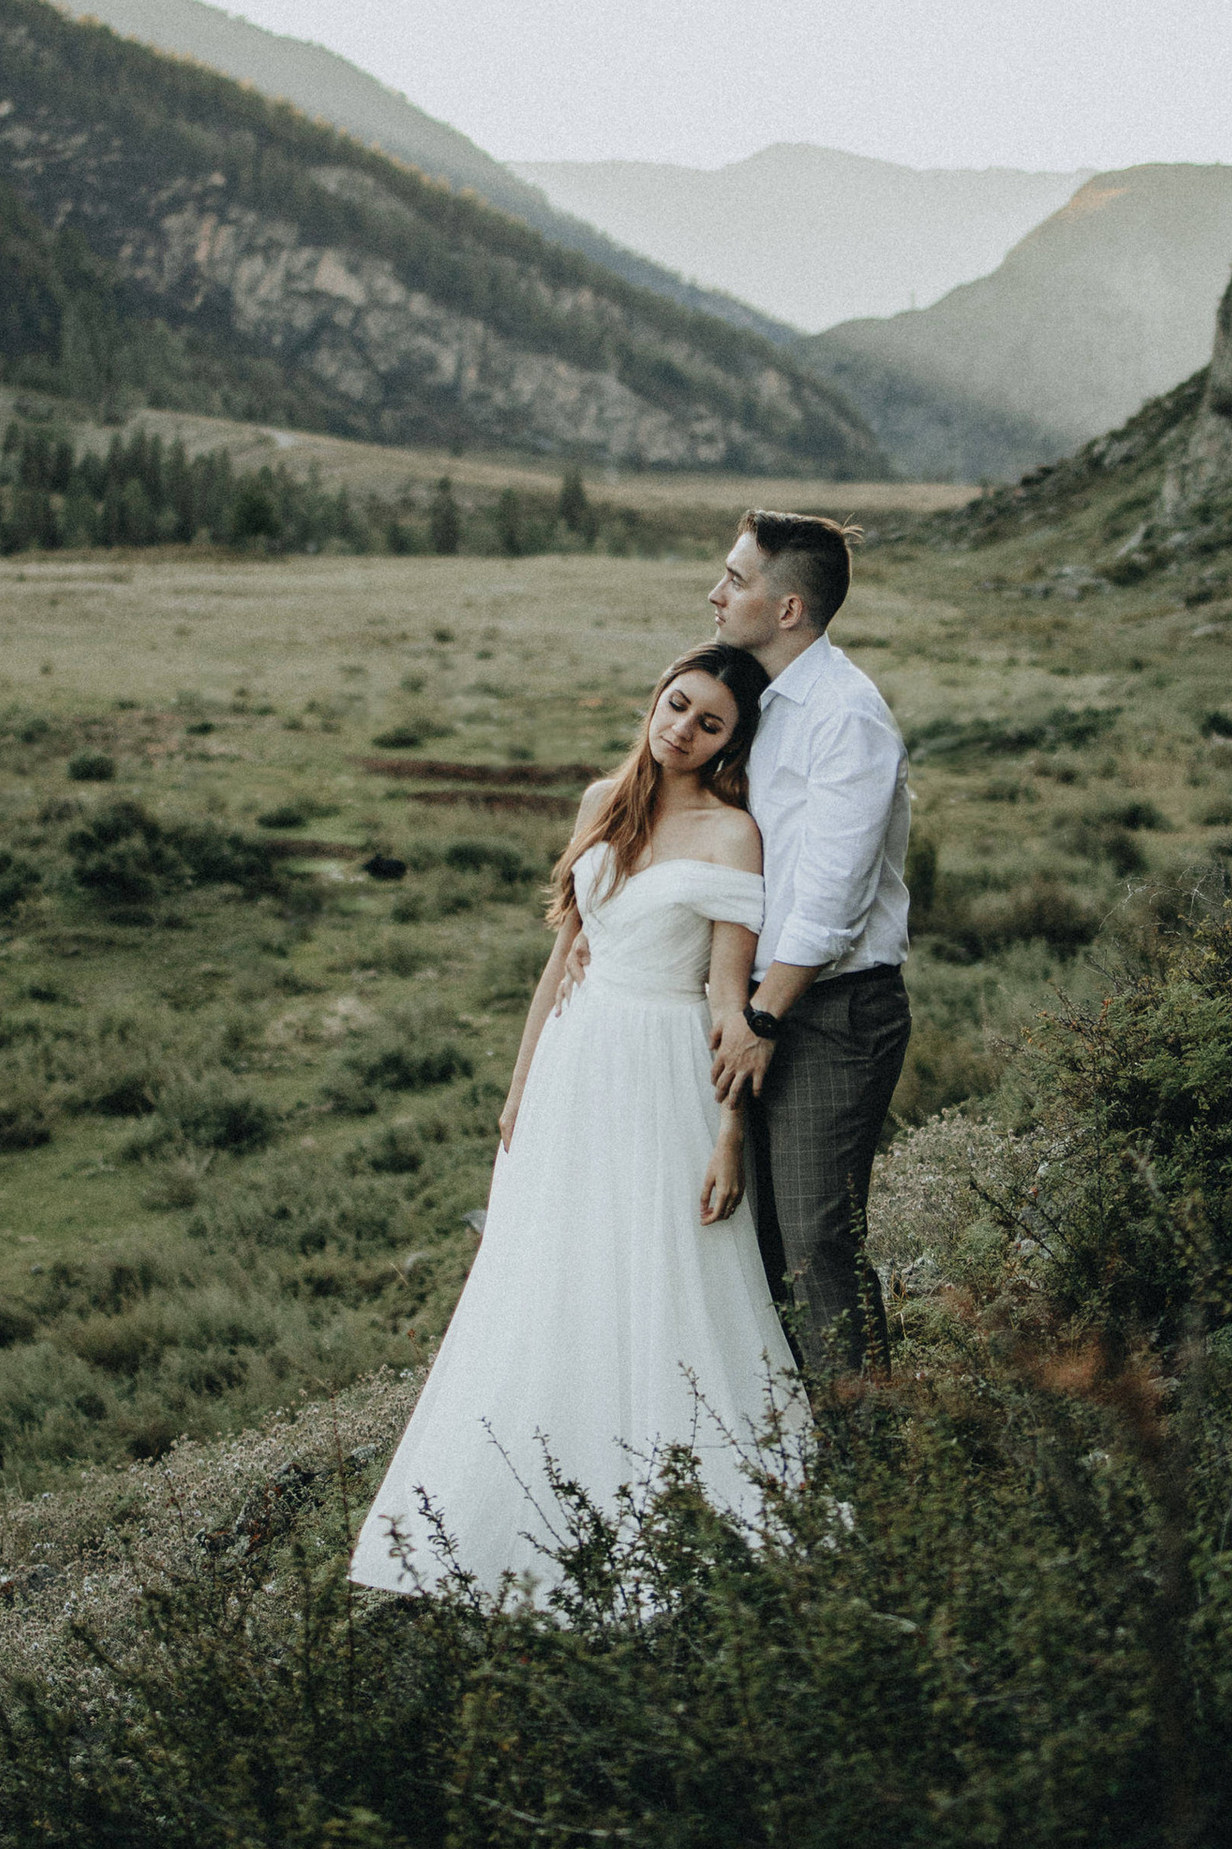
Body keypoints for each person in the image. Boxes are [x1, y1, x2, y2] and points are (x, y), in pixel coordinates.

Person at [348, 644, 807, 1608]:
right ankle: (526, 1479)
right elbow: (562, 961)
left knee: (659, 1265)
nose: (682, 728)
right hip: (574, 1063)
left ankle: (674, 1495)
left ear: (733, 741)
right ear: (656, 699)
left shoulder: (734, 836)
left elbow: (730, 1000)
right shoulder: (605, 799)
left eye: (710, 722)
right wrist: (519, 1090)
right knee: (551, 1262)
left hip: (664, 1069)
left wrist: (730, 1134)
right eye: (676, 705)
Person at [705, 511, 911, 1377]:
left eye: (736, 580)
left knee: (817, 1242)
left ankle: (869, 1464)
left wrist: (761, 1018)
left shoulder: (845, 715)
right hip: (753, 1005)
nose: (717, 594)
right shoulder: (760, 700)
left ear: (789, 608)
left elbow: (832, 899)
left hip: (824, 1012)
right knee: (757, 1243)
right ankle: (795, 1449)